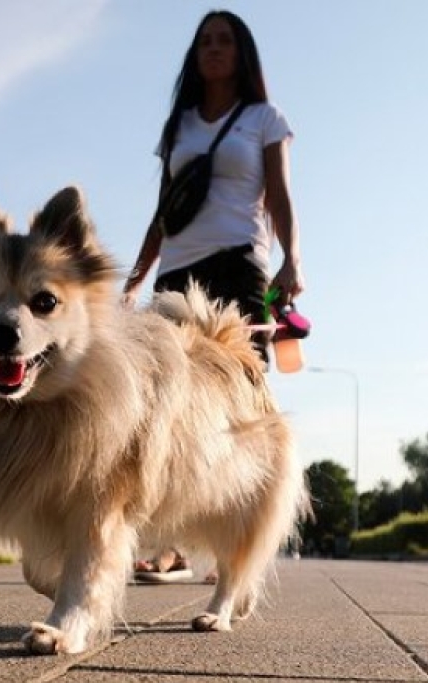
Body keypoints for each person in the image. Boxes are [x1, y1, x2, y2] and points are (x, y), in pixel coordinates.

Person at [123, 9, 304, 583]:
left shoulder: (263, 118)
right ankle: (172, 545)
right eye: (205, 41)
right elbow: (162, 210)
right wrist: (135, 278)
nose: (214, 49)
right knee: (165, 404)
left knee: (240, 404)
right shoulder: (178, 127)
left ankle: (237, 543)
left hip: (237, 266)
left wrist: (292, 259)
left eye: (225, 40)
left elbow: (279, 197)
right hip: (178, 269)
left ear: (242, 53)